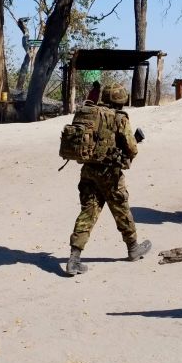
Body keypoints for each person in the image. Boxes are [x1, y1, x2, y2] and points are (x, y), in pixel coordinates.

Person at [64, 83, 152, 276]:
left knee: (88, 212)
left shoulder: (88, 113)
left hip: (88, 171)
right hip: (110, 174)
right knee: (121, 209)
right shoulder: (119, 118)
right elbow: (132, 149)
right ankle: (133, 248)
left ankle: (74, 258)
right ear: (121, 100)